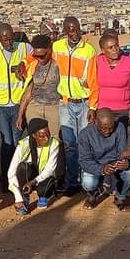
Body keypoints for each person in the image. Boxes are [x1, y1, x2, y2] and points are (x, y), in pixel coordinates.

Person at [54, 16, 98, 193]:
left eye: (76, 28)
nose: (74, 33)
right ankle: (73, 181)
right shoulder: (57, 47)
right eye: (70, 29)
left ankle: (86, 180)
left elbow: (94, 81)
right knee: (70, 145)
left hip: (85, 103)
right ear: (65, 30)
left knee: (84, 144)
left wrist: (93, 106)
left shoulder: (89, 51)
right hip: (65, 103)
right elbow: (39, 57)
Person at [0, 23, 32, 177]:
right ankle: (6, 177)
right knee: (6, 140)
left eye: (11, 39)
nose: (9, 43)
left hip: (19, 103)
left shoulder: (24, 48)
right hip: (2, 105)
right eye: (4, 40)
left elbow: (37, 54)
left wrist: (24, 63)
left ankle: (17, 175)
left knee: (18, 139)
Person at [78, 108, 130, 211]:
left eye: (111, 127)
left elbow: (122, 150)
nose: (108, 131)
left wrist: (125, 161)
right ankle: (92, 195)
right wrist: (101, 169)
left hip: (114, 164)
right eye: (104, 128)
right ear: (95, 122)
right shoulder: (85, 134)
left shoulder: (120, 127)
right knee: (88, 182)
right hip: (96, 165)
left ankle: (120, 197)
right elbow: (84, 160)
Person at [8, 117, 64, 215]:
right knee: (22, 167)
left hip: (44, 176)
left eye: (48, 134)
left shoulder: (54, 143)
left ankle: (44, 196)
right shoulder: (23, 145)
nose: (46, 138)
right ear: (34, 135)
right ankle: (24, 198)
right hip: (30, 173)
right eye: (42, 136)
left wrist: (33, 182)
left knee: (45, 187)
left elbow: (50, 169)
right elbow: (11, 172)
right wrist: (18, 197)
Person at [93, 30, 130, 124]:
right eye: (110, 47)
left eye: (116, 46)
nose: (115, 49)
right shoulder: (97, 61)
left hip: (123, 110)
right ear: (103, 50)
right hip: (102, 110)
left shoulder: (129, 62)